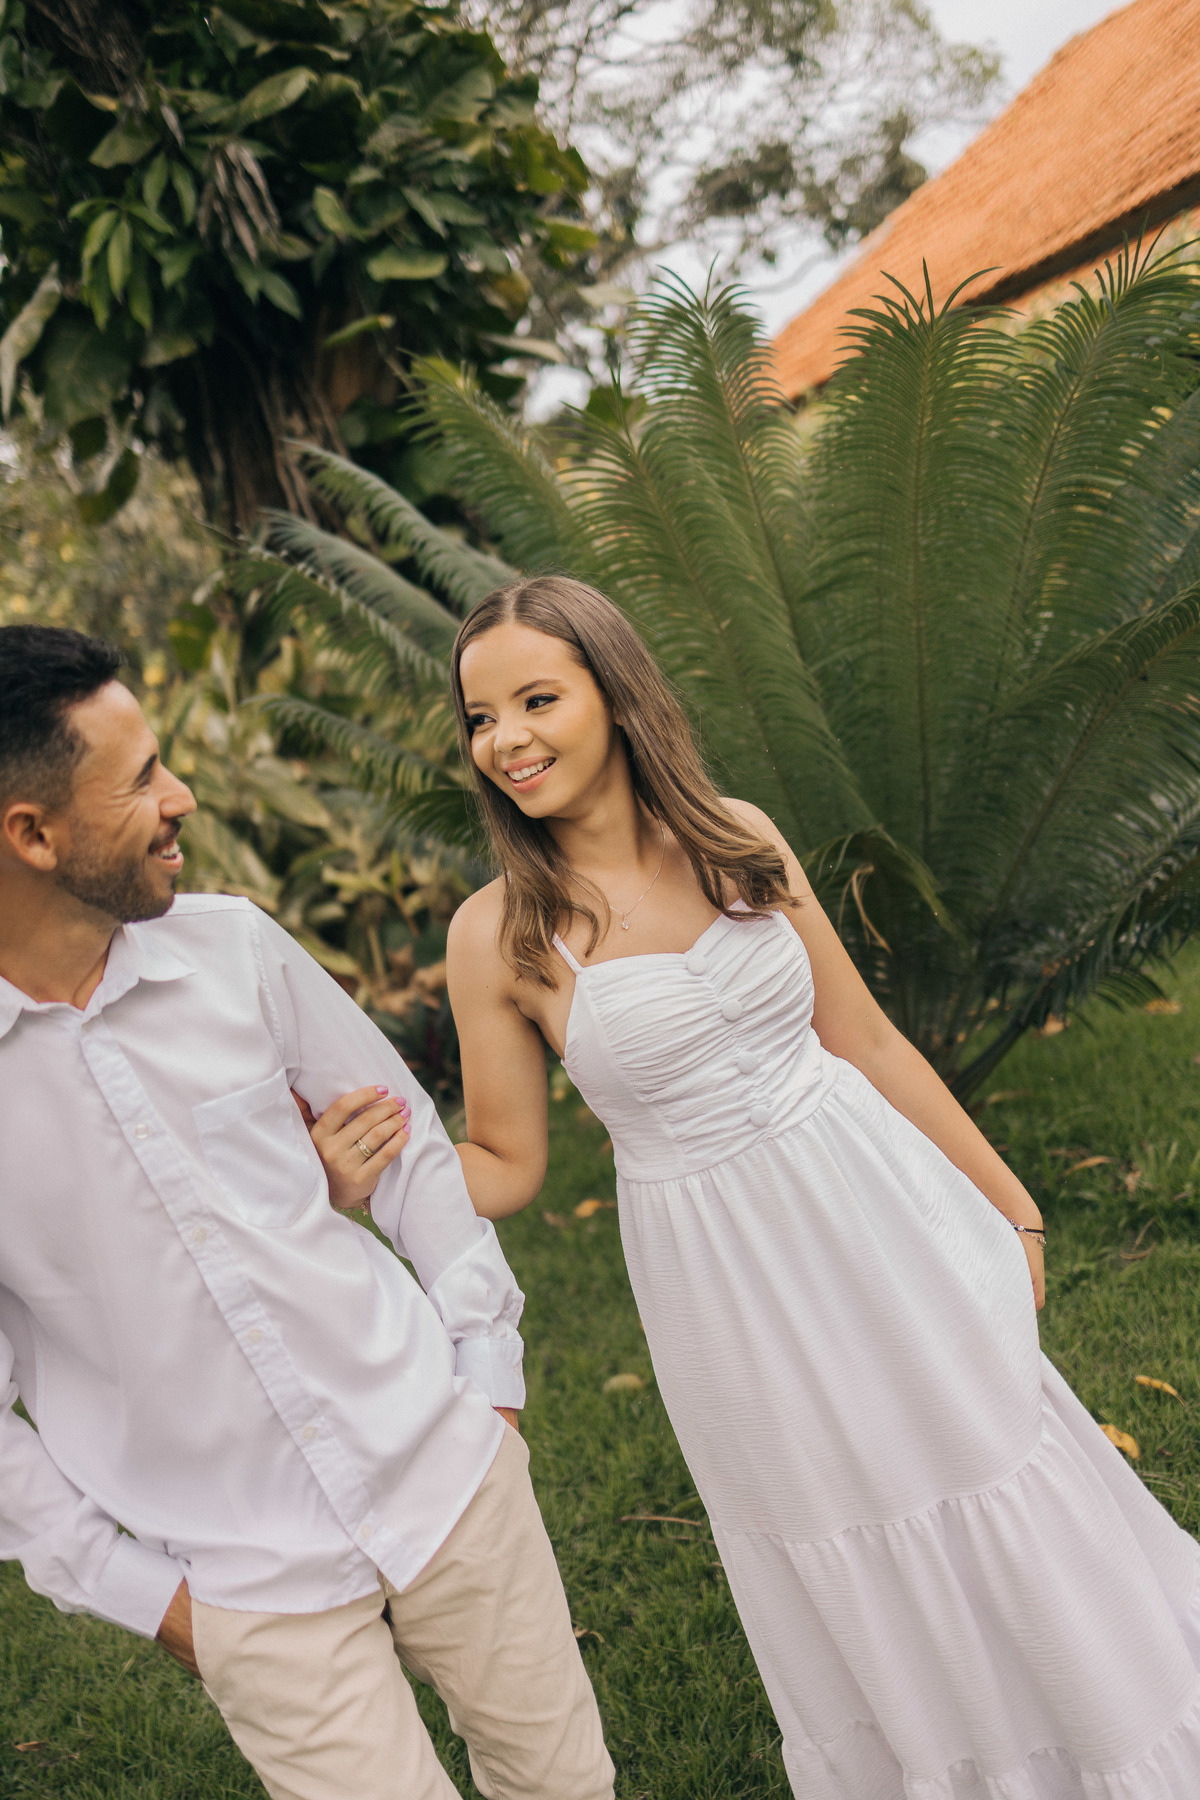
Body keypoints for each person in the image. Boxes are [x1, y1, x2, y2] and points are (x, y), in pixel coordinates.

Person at [424, 575, 1200, 1798]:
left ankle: (1113, 1737)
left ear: (614, 695)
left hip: (879, 1204)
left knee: (988, 1457)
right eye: (480, 718)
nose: (506, 740)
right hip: (727, 1283)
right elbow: (508, 1165)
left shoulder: (738, 835)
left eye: (536, 700)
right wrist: (365, 1166)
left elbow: (868, 1039)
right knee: (843, 1517)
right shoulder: (500, 933)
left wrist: (1010, 1202)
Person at [0, 623, 614, 1800]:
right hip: (245, 1583)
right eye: (141, 780)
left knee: (566, 1788)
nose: (180, 798)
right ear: (33, 834)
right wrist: (148, 1597)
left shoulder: (233, 950)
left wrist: (487, 1378)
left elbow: (410, 1147)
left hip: (445, 1473)